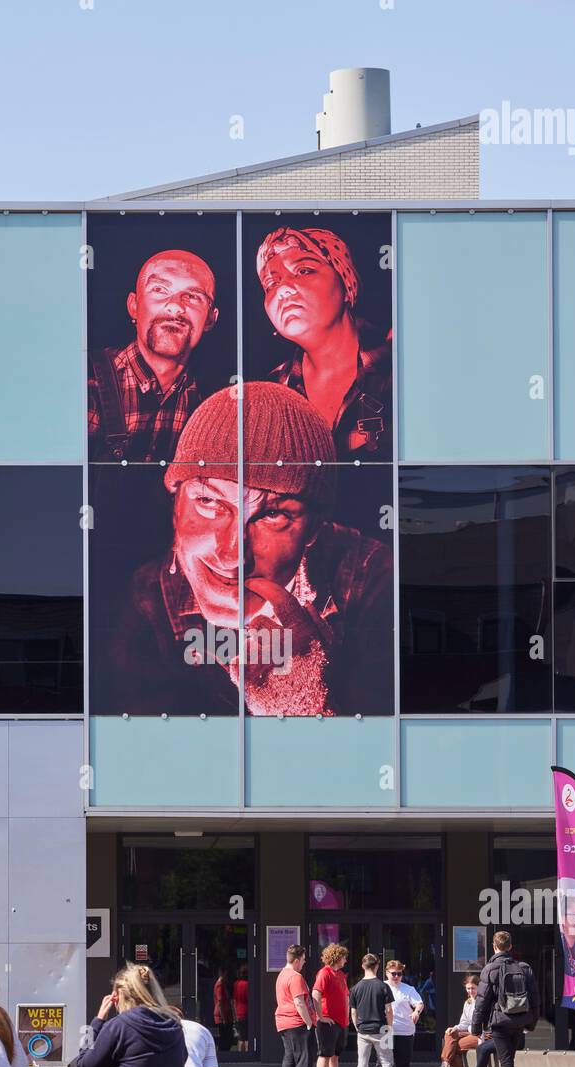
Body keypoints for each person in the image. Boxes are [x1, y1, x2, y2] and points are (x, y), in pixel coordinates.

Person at [103, 383, 393, 718]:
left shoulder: (377, 585)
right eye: (208, 502)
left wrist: (307, 708)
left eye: (273, 515)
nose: (232, 555)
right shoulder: (148, 597)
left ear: (313, 529)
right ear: (175, 506)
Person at [256, 225, 392, 461]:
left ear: (346, 284)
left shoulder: (400, 363)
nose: (284, 289)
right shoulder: (269, 395)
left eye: (304, 270)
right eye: (271, 284)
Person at [88, 249, 220, 462]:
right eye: (160, 289)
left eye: (193, 296)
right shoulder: (85, 384)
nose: (176, 306)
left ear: (210, 320)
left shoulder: (217, 406)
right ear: (134, 306)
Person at [47, 963, 187, 1067]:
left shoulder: (120, 1025)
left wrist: (96, 1023)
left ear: (121, 994)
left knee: (76, 1065)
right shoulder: (174, 1024)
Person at [471, 930, 539, 1067]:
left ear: (494, 947)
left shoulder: (490, 968)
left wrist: (476, 1027)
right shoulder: (524, 968)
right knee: (509, 1061)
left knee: (506, 1062)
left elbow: (482, 1001)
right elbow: (535, 998)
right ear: (510, 946)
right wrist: (532, 1022)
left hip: (499, 1022)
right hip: (519, 1022)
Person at [373, 961, 423, 1067]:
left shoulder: (408, 989)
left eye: (399, 974)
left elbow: (419, 1003)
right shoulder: (381, 987)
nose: (396, 976)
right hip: (386, 1029)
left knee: (403, 1061)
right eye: (393, 973)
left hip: (405, 1030)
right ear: (387, 973)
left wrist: (416, 1012)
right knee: (383, 1060)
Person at [275, 944, 319, 1067]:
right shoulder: (295, 977)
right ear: (297, 960)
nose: (304, 962)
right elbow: (299, 1002)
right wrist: (308, 1022)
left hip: (284, 1021)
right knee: (303, 1057)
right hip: (296, 1021)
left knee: (290, 1057)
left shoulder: (282, 975)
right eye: (303, 960)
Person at [349, 953, 393, 1067]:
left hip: (363, 1030)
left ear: (363, 966)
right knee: (387, 1062)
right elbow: (388, 1010)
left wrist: (357, 1027)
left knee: (362, 1063)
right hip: (382, 1029)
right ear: (377, 966)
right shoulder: (383, 986)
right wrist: (389, 1027)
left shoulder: (355, 988)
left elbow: (353, 1012)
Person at [312, 943, 352, 1067]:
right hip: (328, 1022)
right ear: (336, 957)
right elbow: (315, 993)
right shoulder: (324, 973)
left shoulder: (341, 974)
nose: (345, 960)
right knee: (324, 1055)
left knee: (335, 1056)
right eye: (344, 957)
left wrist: (347, 1018)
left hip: (341, 1022)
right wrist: (320, 1016)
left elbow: (346, 996)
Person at [428, 974, 480, 1067]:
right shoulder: (468, 1002)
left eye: (473, 988)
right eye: (468, 988)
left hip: (480, 1034)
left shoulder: (483, 1002)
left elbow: (481, 1025)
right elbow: (464, 1022)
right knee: (449, 1034)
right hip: (470, 1031)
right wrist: (454, 1028)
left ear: (479, 987)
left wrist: (469, 1029)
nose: (470, 991)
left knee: (454, 1047)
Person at [213, 968, 235, 1054]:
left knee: (227, 1036)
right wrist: (224, 1018)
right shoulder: (220, 985)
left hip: (224, 1013)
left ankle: (224, 1052)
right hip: (222, 1014)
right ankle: (223, 1053)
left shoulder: (222, 984)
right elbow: (220, 1001)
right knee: (225, 1036)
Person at [233, 965, 249, 1053]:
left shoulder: (236, 984)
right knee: (247, 1036)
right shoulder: (247, 984)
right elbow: (248, 998)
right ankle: (247, 1052)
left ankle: (239, 1053)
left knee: (241, 1036)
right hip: (246, 1012)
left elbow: (234, 999)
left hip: (238, 1012)